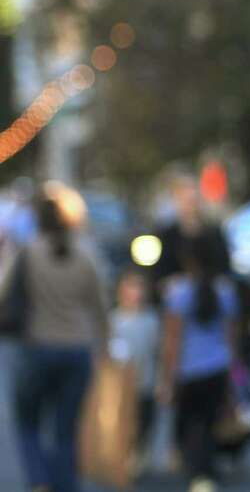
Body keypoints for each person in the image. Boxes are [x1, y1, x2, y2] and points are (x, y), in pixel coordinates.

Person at [1, 182, 109, 492]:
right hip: (76, 349)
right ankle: (65, 484)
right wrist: (103, 344)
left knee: (28, 424)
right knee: (66, 430)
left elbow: (4, 294)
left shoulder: (28, 253)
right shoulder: (85, 254)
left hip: (36, 348)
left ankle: (39, 480)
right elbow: (100, 305)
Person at [157, 234, 239, 492]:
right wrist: (235, 376)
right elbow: (231, 338)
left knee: (189, 421)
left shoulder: (178, 292)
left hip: (189, 370)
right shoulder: (225, 291)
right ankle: (205, 470)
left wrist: (167, 378)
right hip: (217, 367)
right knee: (208, 421)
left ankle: (197, 472)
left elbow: (172, 340)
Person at [110, 269, 161, 474]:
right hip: (120, 387)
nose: (136, 292)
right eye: (131, 286)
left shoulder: (152, 321)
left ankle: (139, 460)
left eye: (140, 287)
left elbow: (159, 352)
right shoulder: (112, 320)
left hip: (146, 383)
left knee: (144, 424)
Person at [152, 173, 231, 295]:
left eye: (194, 201)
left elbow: (223, 264)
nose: (191, 206)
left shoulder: (213, 231)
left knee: (225, 292)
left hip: (211, 283)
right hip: (179, 284)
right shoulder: (166, 234)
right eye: (186, 201)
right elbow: (160, 269)